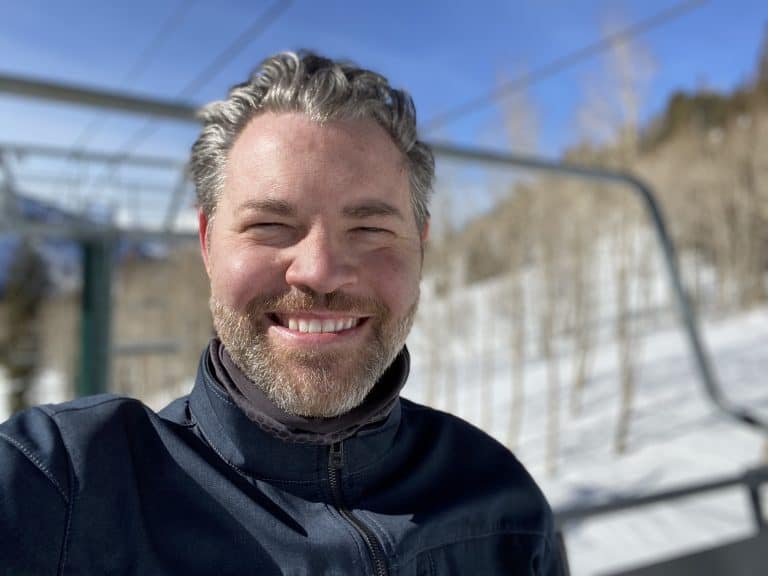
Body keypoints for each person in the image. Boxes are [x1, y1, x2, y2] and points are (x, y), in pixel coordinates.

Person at [0, 51, 562, 575]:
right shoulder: (65, 485)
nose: (318, 271)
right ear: (207, 243)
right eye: (270, 225)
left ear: (421, 246)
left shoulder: (501, 504)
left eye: (369, 229)